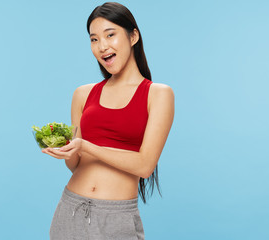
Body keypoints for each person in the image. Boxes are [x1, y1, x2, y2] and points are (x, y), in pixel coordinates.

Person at [42, 2, 174, 239]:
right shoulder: (83, 94)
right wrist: (67, 150)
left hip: (116, 218)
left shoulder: (158, 94)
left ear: (133, 36)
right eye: (94, 39)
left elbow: (145, 166)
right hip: (70, 210)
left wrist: (86, 146)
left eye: (110, 35)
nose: (102, 46)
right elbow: (75, 165)